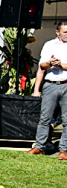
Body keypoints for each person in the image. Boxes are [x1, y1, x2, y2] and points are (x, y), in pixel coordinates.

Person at [27, 21, 67, 159]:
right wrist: (50, 63)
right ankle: (39, 146)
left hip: (66, 84)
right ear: (58, 32)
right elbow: (42, 65)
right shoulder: (49, 45)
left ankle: (63, 150)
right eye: (65, 32)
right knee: (45, 118)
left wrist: (60, 64)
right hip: (51, 84)